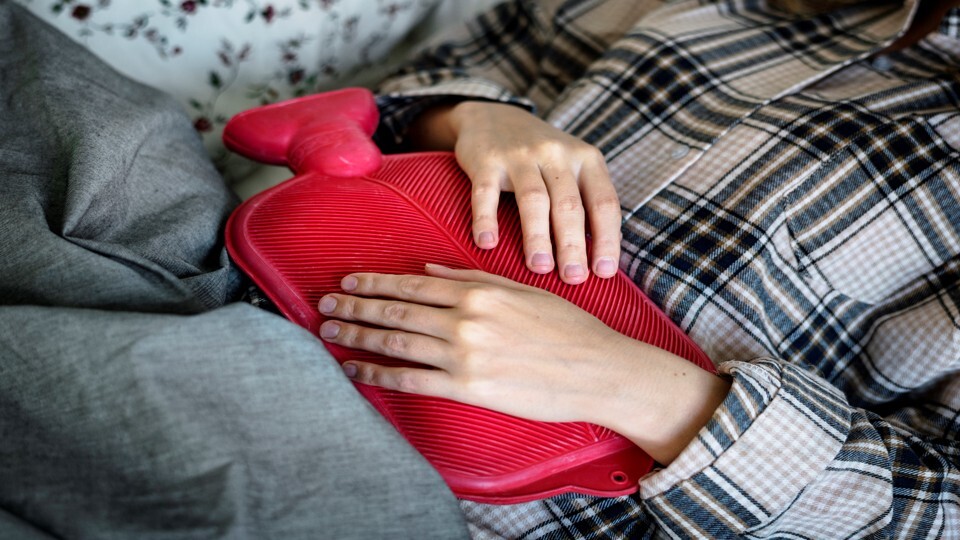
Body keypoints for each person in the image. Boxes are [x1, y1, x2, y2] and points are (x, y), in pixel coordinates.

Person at [313, 0, 960, 537]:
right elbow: (425, 77)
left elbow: (936, 515)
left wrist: (633, 387)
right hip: (293, 280)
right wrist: (476, 116)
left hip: (474, 509)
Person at [0, 2, 470, 538]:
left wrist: (592, 370)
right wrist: (470, 112)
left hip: (373, 477)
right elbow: (465, 61)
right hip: (247, 258)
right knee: (90, 125)